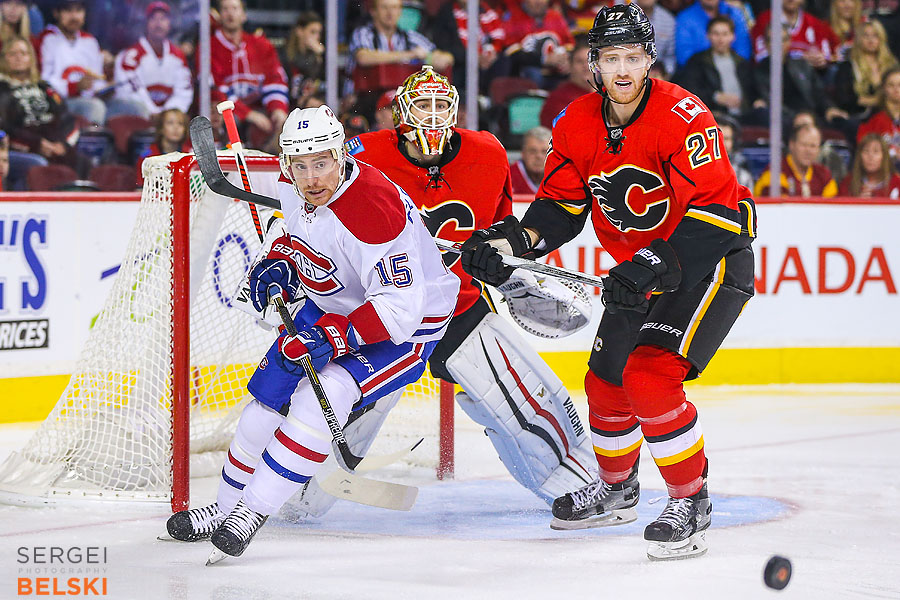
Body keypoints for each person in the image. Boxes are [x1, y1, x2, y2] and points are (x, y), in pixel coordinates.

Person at [460, 4, 756, 561]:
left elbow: (720, 215)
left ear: (650, 59)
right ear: (593, 63)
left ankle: (691, 498)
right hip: (642, 270)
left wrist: (652, 263)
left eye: (634, 56)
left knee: (649, 376)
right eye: (611, 58)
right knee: (605, 381)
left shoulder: (683, 115)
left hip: (707, 263)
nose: (623, 69)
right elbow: (560, 209)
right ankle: (618, 490)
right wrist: (510, 245)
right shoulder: (575, 123)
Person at [289, 67, 595, 517]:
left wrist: (496, 258)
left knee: (523, 395)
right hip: (383, 310)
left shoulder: (487, 154)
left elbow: (502, 229)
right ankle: (287, 492)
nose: (432, 117)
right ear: (400, 114)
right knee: (340, 407)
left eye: (439, 105)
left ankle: (578, 483)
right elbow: (315, 197)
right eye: (422, 105)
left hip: (457, 303)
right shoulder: (362, 153)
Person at [165, 104, 460, 560]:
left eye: (321, 163)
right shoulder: (294, 183)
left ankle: (252, 511)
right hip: (332, 306)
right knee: (269, 392)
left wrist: (337, 338)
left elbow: (400, 311)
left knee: (322, 395)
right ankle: (224, 509)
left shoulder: (372, 209)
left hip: (405, 327)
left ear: (342, 155)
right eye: (300, 166)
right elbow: (293, 230)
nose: (311, 178)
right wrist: (279, 261)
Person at [35, 0, 145, 125]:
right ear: (56, 13)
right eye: (68, 11)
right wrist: (74, 87)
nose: (74, 16)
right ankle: (92, 144)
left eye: (79, 11)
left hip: (92, 100)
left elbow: (96, 79)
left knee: (137, 108)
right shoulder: (45, 39)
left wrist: (107, 88)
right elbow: (44, 82)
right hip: (61, 103)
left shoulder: (90, 41)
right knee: (95, 107)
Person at [0, 35, 91, 180]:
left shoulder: (45, 87)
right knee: (39, 164)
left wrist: (63, 144)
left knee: (84, 162)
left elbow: (66, 117)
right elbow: (5, 126)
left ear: (31, 58)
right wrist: (37, 144)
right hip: (24, 146)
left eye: (23, 53)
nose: (18, 58)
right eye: (13, 54)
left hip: (55, 143)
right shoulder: (2, 89)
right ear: (4, 59)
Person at [210, 0, 289, 149]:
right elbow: (217, 90)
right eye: (225, 9)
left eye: (234, 8)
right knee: (224, 119)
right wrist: (249, 114)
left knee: (282, 122)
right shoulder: (210, 46)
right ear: (219, 15)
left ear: (244, 15)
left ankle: (270, 164)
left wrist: (277, 108)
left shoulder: (261, 45)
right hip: (228, 112)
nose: (230, 13)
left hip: (259, 111)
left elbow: (274, 79)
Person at [112, 1, 193, 118]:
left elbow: (184, 91)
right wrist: (152, 112)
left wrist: (167, 114)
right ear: (146, 24)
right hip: (139, 119)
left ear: (169, 24)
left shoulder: (178, 56)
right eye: (153, 19)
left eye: (163, 19)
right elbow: (128, 92)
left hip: (168, 120)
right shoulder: (131, 56)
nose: (158, 24)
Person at [674, 16, 758, 121]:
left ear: (733, 36)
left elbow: (753, 91)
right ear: (708, 36)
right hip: (714, 114)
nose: (721, 39)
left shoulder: (742, 63)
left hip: (744, 114)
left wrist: (755, 101)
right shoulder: (697, 61)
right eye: (716, 34)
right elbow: (690, 89)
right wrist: (716, 97)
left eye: (725, 34)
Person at [833, 20, 899, 119]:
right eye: (866, 36)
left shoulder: (893, 65)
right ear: (859, 39)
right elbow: (845, 99)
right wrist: (876, 101)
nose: (870, 40)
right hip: (862, 116)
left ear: (881, 38)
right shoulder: (848, 67)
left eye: (875, 36)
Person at [500, 0, 575, 87]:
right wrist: (543, 60)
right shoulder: (513, 18)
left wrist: (567, 60)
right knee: (533, 72)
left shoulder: (555, 17)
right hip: (528, 71)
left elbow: (570, 45)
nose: (538, 2)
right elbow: (511, 52)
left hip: (556, 69)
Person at [755, 123, 838, 197]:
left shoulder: (824, 175)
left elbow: (832, 208)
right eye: (803, 145)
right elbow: (778, 210)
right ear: (792, 145)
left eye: (813, 146)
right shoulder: (775, 171)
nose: (808, 151)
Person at [674, 0, 752, 68]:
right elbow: (684, 56)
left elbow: (743, 48)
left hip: (734, 69)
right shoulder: (684, 18)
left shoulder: (734, 13)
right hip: (700, 74)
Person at [539, 34, 593, 129]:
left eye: (589, 61)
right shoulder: (559, 98)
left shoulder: (609, 93)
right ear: (570, 66)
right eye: (579, 61)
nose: (585, 66)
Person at [135, 107, 190, 186]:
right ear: (161, 128)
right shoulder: (147, 157)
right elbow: (140, 188)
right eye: (170, 123)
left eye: (180, 123)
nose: (176, 127)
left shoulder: (190, 155)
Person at [856, 66, 900, 165]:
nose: (896, 89)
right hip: (882, 168)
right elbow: (864, 146)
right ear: (884, 88)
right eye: (891, 85)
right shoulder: (872, 117)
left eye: (899, 85)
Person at [280, 11, 324, 108]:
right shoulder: (284, 55)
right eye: (312, 32)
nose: (317, 37)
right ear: (299, 31)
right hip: (289, 107)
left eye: (319, 33)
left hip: (311, 107)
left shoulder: (318, 57)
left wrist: (322, 56)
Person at [839, 132, 900, 197]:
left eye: (876, 151)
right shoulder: (848, 182)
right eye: (866, 151)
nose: (870, 156)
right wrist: (858, 202)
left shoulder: (897, 183)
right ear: (859, 156)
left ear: (884, 157)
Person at [716, 113, 756, 189]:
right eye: (719, 138)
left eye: (727, 139)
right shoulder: (697, 173)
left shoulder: (743, 177)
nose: (723, 143)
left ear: (734, 142)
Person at [511, 125, 551, 194]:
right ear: (523, 153)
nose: (539, 156)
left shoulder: (563, 178)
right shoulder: (508, 177)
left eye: (544, 152)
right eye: (533, 151)